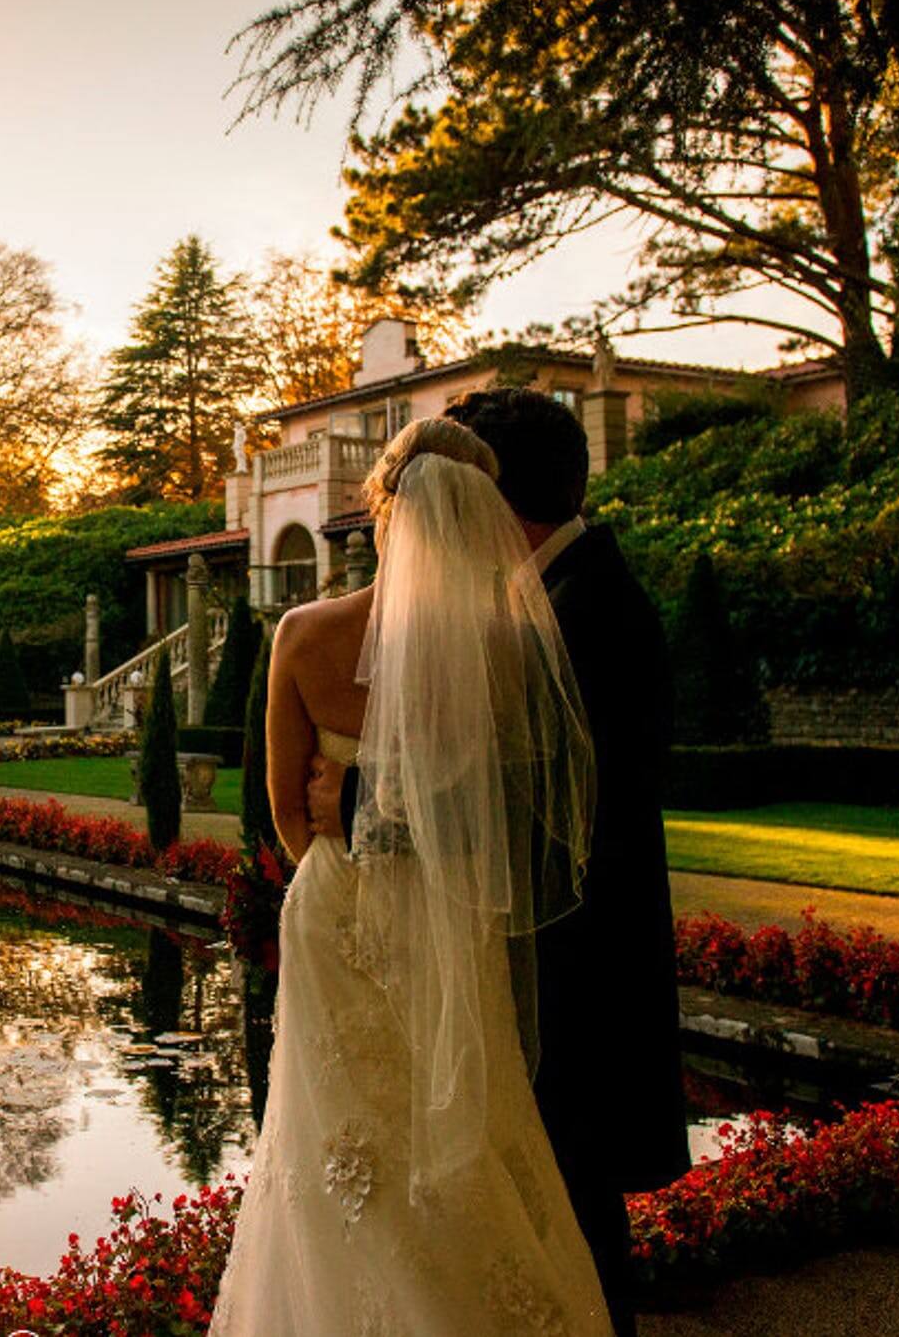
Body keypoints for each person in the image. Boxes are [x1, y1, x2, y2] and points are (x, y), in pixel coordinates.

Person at [210, 418, 610, 1336]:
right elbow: (494, 819)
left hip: (336, 906)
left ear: (380, 509)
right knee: (460, 1124)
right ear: (477, 515)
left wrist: (346, 858)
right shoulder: (503, 647)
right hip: (448, 915)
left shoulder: (304, 634)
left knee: (329, 1140)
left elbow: (283, 811)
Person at [304, 388, 687, 1334]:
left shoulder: (579, 611)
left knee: (573, 1222)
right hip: (559, 959)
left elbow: (527, 813)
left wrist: (351, 801)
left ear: (492, 493)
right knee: (553, 1222)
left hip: (578, 974)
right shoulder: (559, 592)